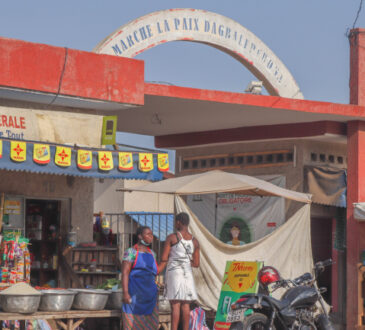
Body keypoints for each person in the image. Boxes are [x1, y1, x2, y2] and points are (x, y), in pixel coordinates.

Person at [158, 212, 200, 330]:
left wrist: (157, 270)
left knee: (175, 305)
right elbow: (196, 264)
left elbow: (164, 258)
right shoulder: (195, 241)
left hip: (174, 273)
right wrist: (185, 262)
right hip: (188, 273)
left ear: (178, 222)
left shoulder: (172, 238)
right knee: (186, 305)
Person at [121, 226, 158, 329]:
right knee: (132, 325)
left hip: (150, 297)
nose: (151, 237)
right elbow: (125, 273)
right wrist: (125, 293)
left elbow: (153, 274)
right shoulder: (131, 252)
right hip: (134, 295)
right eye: (148, 234)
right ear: (140, 236)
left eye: (152, 234)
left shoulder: (152, 254)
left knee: (150, 326)